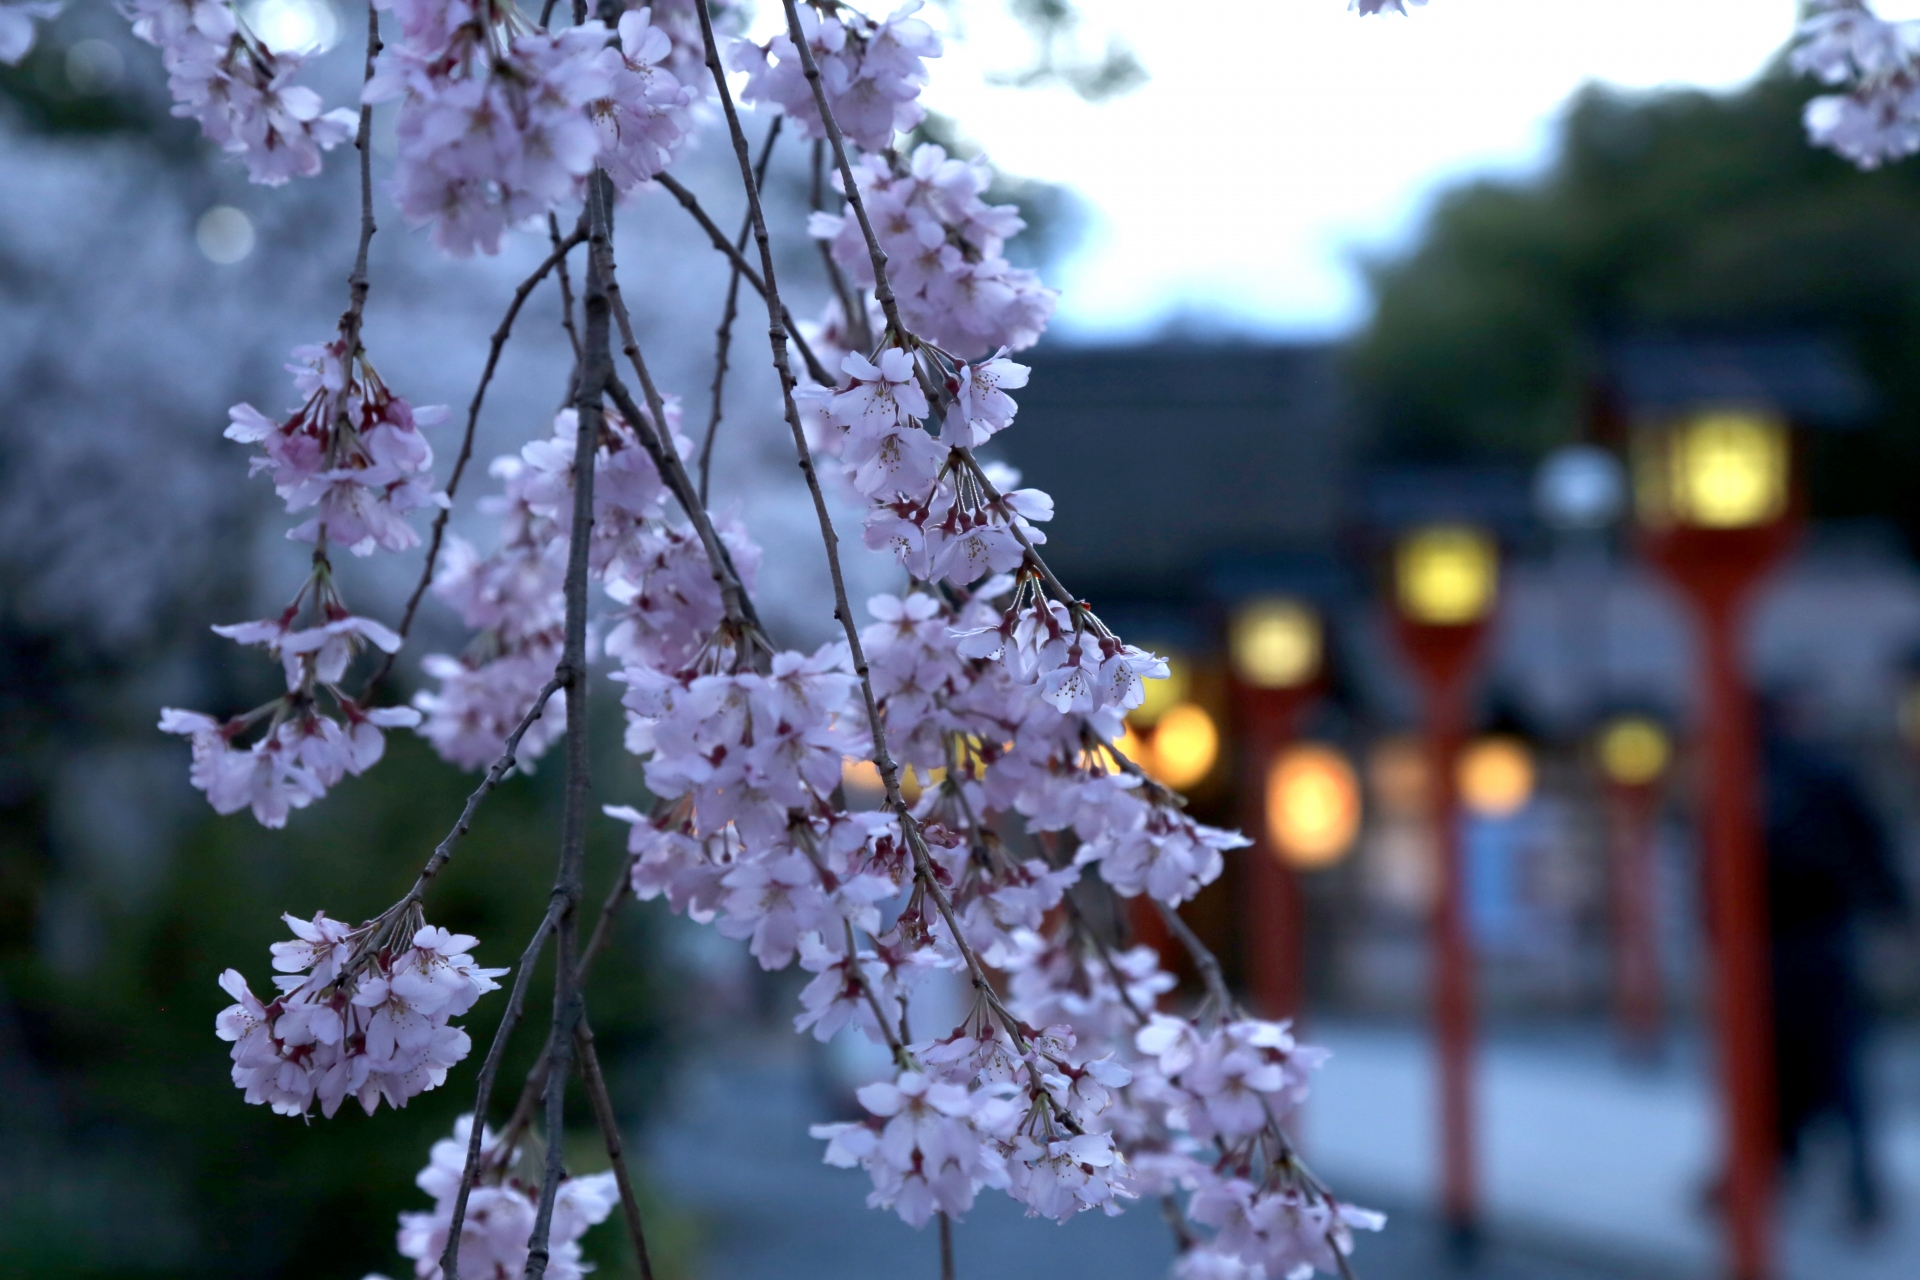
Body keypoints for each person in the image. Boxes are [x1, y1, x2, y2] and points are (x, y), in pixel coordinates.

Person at [1762, 698, 1908, 1228]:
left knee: (1782, 1067)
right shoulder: (1825, 775)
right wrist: (1893, 909)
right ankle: (1855, 1183)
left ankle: (1792, 1171)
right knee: (1838, 1069)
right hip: (1820, 937)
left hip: (1777, 944)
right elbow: (1871, 847)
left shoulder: (1747, 778)